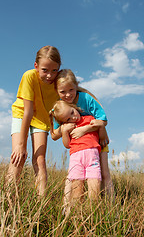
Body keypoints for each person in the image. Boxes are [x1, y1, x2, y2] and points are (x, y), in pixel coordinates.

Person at [51, 69, 114, 206]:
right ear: (57, 90)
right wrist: (63, 129)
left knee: (104, 174)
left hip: (98, 141)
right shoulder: (61, 106)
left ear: (76, 86)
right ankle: (67, 207)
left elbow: (103, 121)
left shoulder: (86, 99)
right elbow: (54, 134)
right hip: (79, 148)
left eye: (71, 90)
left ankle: (110, 206)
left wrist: (85, 129)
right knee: (72, 177)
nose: (68, 95)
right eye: (63, 92)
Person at [6, 45, 61, 197]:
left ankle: (40, 202)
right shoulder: (29, 76)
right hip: (22, 113)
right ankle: (8, 199)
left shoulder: (59, 82)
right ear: (36, 66)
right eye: (45, 70)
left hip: (41, 119)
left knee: (40, 161)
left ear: (59, 68)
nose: (49, 75)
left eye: (54, 70)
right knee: (19, 156)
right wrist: (21, 145)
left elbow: (75, 90)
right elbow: (28, 111)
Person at [49, 100, 103, 211]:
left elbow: (100, 126)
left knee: (94, 186)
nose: (73, 118)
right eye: (68, 119)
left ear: (74, 107)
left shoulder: (89, 118)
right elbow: (67, 145)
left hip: (92, 157)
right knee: (76, 189)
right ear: (64, 122)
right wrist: (64, 132)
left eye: (72, 112)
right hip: (76, 158)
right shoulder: (68, 127)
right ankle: (77, 215)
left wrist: (94, 127)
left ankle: (92, 213)